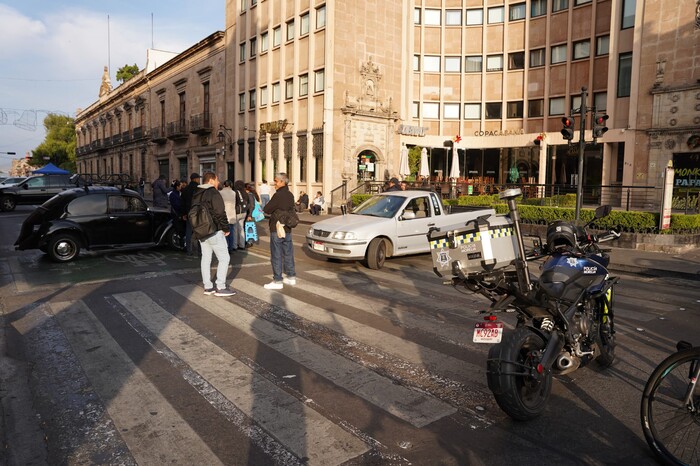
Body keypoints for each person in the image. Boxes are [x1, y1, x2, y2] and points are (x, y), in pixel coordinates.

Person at [191, 172, 235, 297]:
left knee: (206, 258)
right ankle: (220, 286)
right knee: (224, 258)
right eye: (216, 180)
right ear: (211, 180)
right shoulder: (213, 193)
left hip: (201, 231)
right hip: (214, 230)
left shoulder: (196, 193)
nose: (218, 182)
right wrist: (225, 228)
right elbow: (220, 212)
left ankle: (208, 287)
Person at [262, 172, 296, 290]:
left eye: (276, 181)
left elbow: (267, 209)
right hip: (287, 227)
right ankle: (291, 277)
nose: (274, 183)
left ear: (282, 182)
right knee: (288, 252)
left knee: (276, 254)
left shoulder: (278, 195)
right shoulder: (290, 195)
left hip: (277, 227)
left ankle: (277, 280)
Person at [181, 173, 201, 256]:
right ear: (196, 179)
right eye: (198, 178)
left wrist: (184, 214)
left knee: (188, 232)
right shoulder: (199, 189)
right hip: (198, 213)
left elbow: (182, 203)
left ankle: (189, 250)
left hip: (189, 213)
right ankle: (200, 250)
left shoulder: (186, 189)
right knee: (200, 232)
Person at [219, 180, 238, 252]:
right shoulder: (234, 193)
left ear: (224, 185)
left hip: (224, 214)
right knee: (231, 232)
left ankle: (225, 247)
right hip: (232, 214)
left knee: (224, 232)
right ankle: (231, 247)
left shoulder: (221, 193)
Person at [233, 180, 250, 250]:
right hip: (244, 212)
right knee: (241, 228)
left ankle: (235, 245)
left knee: (235, 229)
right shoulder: (245, 193)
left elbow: (235, 202)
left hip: (237, 212)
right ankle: (242, 244)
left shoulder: (236, 192)